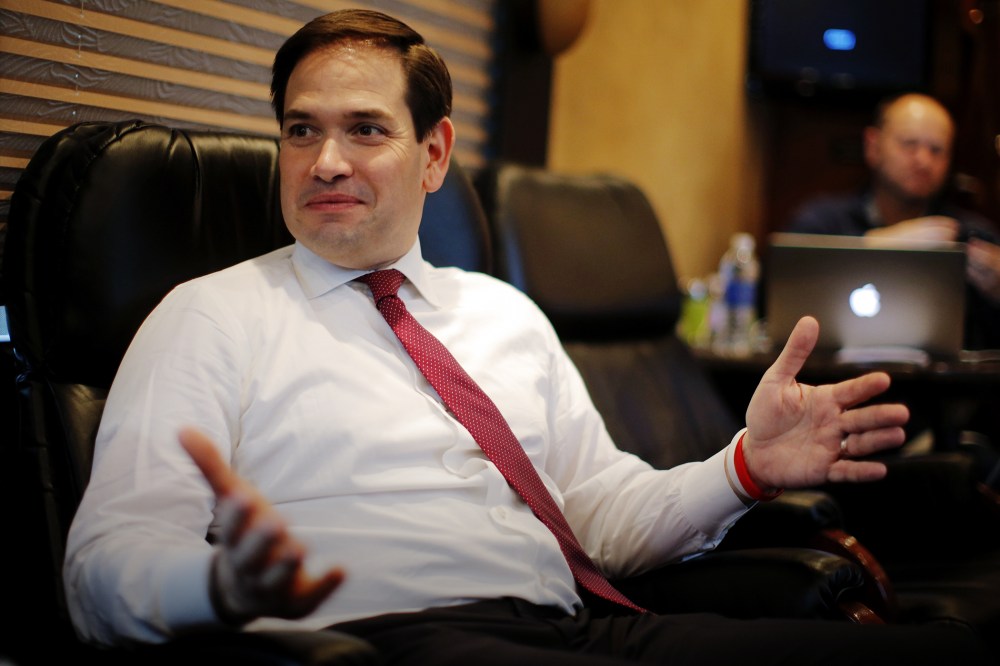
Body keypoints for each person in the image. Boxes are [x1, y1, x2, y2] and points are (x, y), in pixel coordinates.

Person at [63, 10, 989, 665]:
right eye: (300, 131)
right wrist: (219, 587)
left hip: (585, 624)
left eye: (364, 129)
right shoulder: (210, 315)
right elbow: (103, 572)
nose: (327, 161)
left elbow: (599, 518)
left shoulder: (502, 313)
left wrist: (743, 467)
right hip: (384, 640)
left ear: (433, 155)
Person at [785, 92, 1000, 349]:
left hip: (941, 385)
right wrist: (878, 245)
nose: (923, 160)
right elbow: (777, 302)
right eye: (909, 144)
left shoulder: (973, 235)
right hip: (832, 381)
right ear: (873, 146)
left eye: (936, 150)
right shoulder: (820, 223)